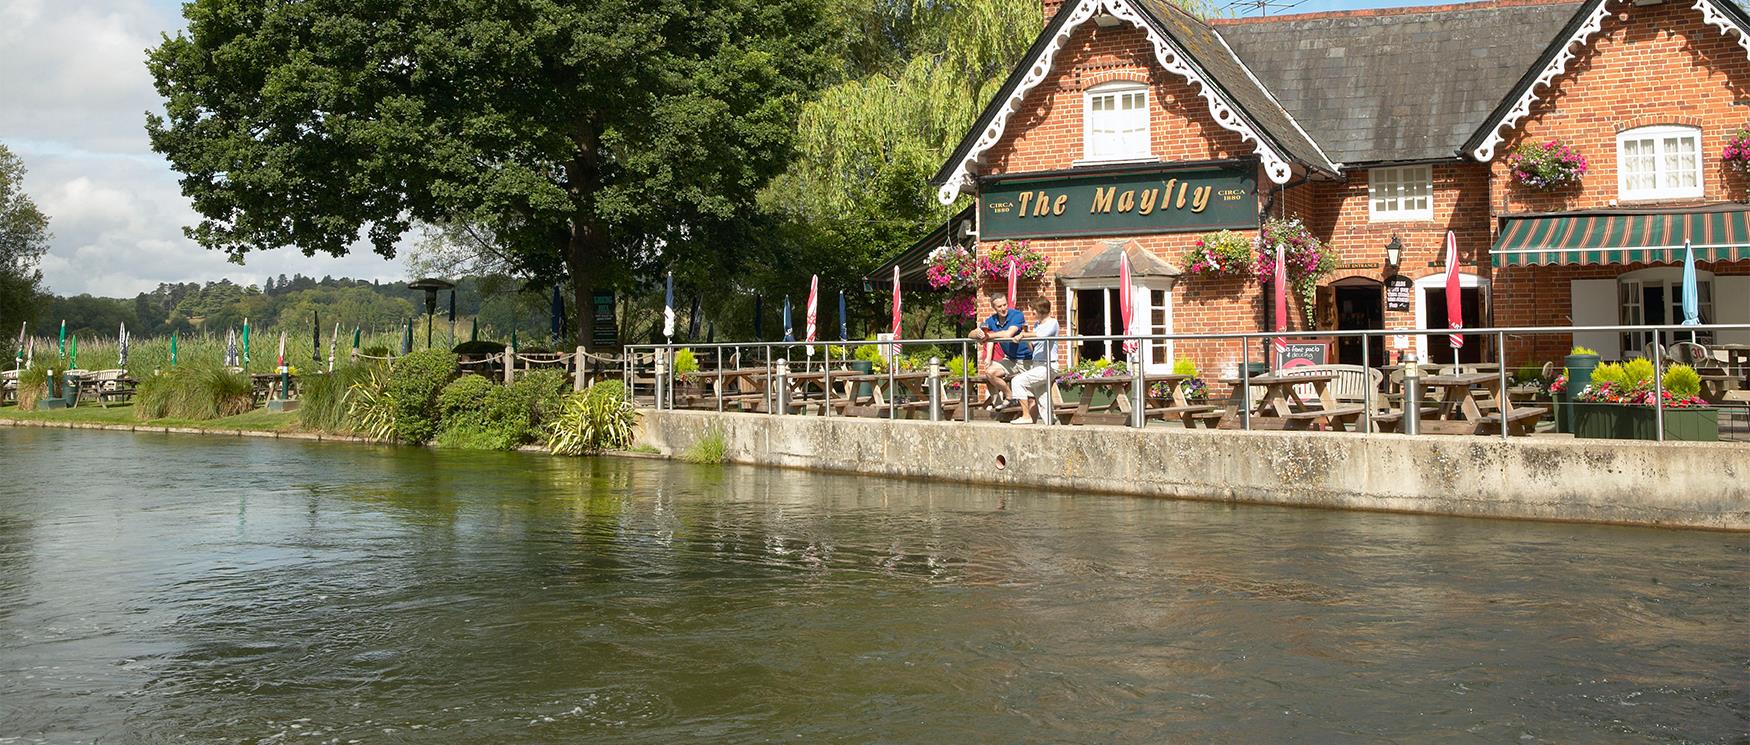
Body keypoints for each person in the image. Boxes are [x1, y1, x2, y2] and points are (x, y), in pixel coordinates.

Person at [968, 292, 1030, 407]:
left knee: (1034, 394)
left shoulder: (1017, 315)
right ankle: (1010, 396)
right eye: (999, 306)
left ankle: (1048, 415)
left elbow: (1008, 334)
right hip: (1010, 360)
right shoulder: (991, 320)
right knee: (990, 372)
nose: (1003, 308)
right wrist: (977, 334)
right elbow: (970, 334)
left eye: (1005, 305)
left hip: (1027, 360)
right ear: (994, 308)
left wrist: (988, 336)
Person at [1010, 297, 1059, 424]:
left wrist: (1023, 335)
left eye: (1033, 311)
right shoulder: (1037, 325)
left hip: (1048, 365)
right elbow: (1033, 346)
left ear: (1040, 310)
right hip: (1037, 365)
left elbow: (1042, 336)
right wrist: (1026, 338)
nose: (1032, 314)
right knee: (1043, 398)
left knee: (1017, 381)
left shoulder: (1053, 323)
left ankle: (1026, 416)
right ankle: (1050, 424)